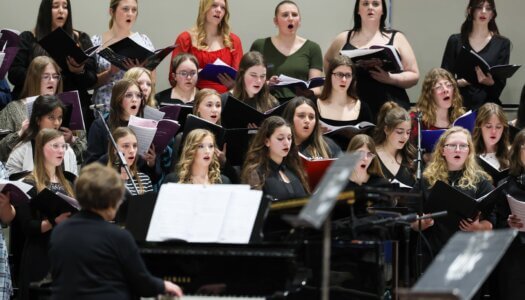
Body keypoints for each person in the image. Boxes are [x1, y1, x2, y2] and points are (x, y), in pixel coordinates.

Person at [48, 163, 183, 299]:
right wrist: (165, 285)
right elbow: (143, 284)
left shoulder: (59, 232)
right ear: (111, 201)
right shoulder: (118, 236)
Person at [7, 0, 97, 129]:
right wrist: (43, 73)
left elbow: (92, 79)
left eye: (65, 7)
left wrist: (78, 70)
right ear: (45, 10)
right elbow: (14, 74)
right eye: (55, 6)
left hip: (69, 107)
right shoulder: (28, 38)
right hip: (34, 103)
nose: (61, 10)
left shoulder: (81, 39)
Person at [413, 126, 493, 268]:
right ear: (443, 150)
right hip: (432, 252)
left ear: (469, 151)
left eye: (463, 146)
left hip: (466, 255)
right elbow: (411, 218)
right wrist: (421, 223)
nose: (457, 149)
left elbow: (492, 219)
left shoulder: (480, 180)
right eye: (452, 145)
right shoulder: (426, 180)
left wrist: (478, 227)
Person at [324, 0, 419, 118]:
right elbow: (328, 60)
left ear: (383, 10)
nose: (370, 7)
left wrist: (390, 78)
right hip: (354, 105)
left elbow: (414, 75)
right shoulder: (344, 38)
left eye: (375, 4)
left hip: (391, 106)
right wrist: (336, 85)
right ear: (358, 10)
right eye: (365, 4)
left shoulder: (397, 38)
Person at [15, 128, 75, 300]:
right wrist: (55, 221)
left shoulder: (70, 181)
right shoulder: (28, 182)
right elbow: (27, 226)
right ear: (41, 148)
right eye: (55, 146)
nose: (61, 150)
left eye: (63, 146)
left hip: (66, 251)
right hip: (40, 252)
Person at [441, 0, 511, 110]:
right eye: (479, 7)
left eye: (488, 8)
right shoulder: (455, 41)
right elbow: (443, 78)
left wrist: (490, 82)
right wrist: (459, 83)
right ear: (470, 11)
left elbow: (500, 85)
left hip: (488, 107)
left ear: (492, 14)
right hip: (459, 106)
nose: (483, 11)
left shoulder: (502, 43)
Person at [250, 0, 323, 101]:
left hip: (299, 105)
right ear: (276, 21)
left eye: (294, 15)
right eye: (285, 15)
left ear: (299, 20)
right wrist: (267, 83)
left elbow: (317, 89)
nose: (290, 18)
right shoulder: (260, 45)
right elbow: (249, 80)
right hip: (267, 104)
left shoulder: (313, 48)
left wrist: (308, 92)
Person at [91, 0, 154, 112]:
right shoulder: (96, 42)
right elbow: (90, 83)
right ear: (112, 11)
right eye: (125, 9)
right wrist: (110, 72)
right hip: (105, 108)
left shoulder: (144, 41)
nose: (130, 13)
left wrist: (136, 73)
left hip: (134, 109)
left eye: (134, 10)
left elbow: (152, 81)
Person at [169, 0, 243, 94]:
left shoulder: (234, 41)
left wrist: (233, 85)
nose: (219, 10)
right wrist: (193, 74)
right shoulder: (185, 39)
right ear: (204, 8)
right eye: (214, 5)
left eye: (223, 7)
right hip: (193, 99)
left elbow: (240, 80)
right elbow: (173, 78)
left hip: (225, 100)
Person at [0, 56, 64, 162]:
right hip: (21, 172)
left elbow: (83, 149)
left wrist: (70, 140)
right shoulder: (13, 109)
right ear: (34, 78)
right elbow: (1, 152)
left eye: (55, 76)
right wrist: (20, 133)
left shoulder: (65, 106)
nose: (52, 80)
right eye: (46, 76)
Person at [5, 95, 77, 176]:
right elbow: (12, 185)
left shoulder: (68, 151)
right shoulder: (21, 150)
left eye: (59, 118)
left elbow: (74, 183)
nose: (57, 123)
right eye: (51, 117)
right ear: (38, 120)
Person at [241, 116, 309, 201]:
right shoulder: (256, 173)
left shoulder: (294, 169)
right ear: (267, 141)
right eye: (280, 138)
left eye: (289, 138)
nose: (286, 143)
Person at [493, 130, 525, 300]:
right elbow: (495, 224)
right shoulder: (504, 184)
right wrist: (508, 223)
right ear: (517, 151)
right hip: (514, 258)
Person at [85, 78, 145, 164]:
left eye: (138, 95)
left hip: (136, 175)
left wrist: (151, 162)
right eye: (128, 95)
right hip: (108, 175)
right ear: (118, 99)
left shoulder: (143, 125)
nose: (135, 100)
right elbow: (90, 165)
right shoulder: (101, 125)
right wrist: (112, 154)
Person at [410, 68, 465, 144]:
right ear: (430, 94)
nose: (445, 90)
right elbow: (410, 150)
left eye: (448, 85)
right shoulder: (417, 119)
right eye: (439, 87)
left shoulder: (461, 118)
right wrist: (424, 155)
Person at [317, 55, 373, 128]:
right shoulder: (315, 105)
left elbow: (369, 138)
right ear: (330, 76)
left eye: (348, 75)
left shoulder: (363, 108)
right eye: (339, 74)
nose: (344, 80)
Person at [165, 129, 230, 184]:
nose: (207, 151)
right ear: (191, 150)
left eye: (211, 146)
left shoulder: (223, 182)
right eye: (201, 146)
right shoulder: (173, 181)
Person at [374, 101, 416, 187]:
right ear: (386, 130)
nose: (405, 137)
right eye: (399, 132)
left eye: (408, 132)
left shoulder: (411, 156)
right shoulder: (372, 155)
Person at [107, 127, 153, 195]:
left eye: (134, 146)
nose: (132, 151)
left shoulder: (145, 180)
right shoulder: (104, 181)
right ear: (114, 150)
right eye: (126, 146)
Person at [472, 102, 510, 171]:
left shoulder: (512, 155)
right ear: (480, 126)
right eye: (488, 126)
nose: (493, 132)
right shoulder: (469, 155)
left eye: (498, 127)